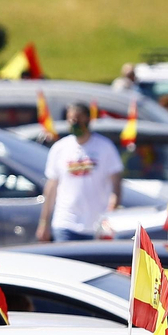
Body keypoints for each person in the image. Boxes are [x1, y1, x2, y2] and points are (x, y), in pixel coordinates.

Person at [37, 102, 123, 242]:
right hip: (65, 223)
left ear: (88, 120)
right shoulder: (60, 148)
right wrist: (44, 223)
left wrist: (112, 209)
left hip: (96, 225)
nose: (74, 123)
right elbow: (51, 187)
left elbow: (116, 182)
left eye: (78, 119)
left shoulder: (104, 147)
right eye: (70, 119)